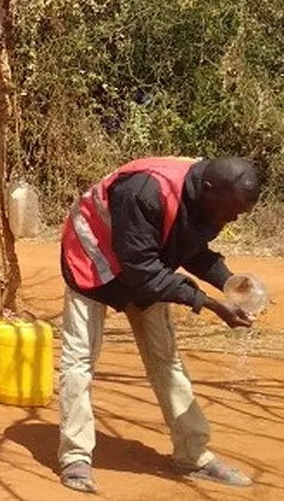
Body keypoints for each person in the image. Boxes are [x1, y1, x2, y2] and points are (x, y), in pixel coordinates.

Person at [57, 156, 260, 493]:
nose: (233, 218)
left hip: (142, 263)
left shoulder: (210, 200)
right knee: (79, 360)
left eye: (239, 213)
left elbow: (190, 249)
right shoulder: (145, 192)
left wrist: (231, 284)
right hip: (92, 259)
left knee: (166, 360)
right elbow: (143, 271)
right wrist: (208, 304)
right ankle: (75, 456)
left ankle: (192, 455)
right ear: (208, 190)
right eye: (231, 211)